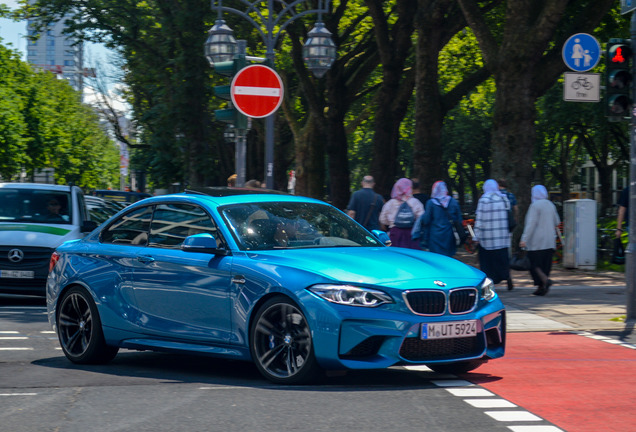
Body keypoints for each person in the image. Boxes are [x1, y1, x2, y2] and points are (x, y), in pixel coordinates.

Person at [519, 185, 561, 296]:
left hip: (536, 241)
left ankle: (545, 281)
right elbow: (557, 221)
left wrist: (524, 239)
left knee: (534, 263)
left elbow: (530, 224)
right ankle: (542, 286)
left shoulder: (534, 206)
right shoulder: (550, 205)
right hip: (549, 240)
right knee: (545, 264)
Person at [473, 179, 513, 290]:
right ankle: (507, 277)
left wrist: (476, 236)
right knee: (502, 260)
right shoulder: (504, 198)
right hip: (502, 237)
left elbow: (480, 220)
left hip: (488, 238)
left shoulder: (484, 200)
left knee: (487, 263)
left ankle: (489, 284)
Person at [416, 181, 462, 257]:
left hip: (434, 236)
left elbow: (426, 220)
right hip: (449, 235)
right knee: (448, 258)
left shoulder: (431, 203)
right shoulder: (453, 202)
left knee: (436, 258)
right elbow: (459, 219)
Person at [379, 178, 424, 249]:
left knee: (396, 256)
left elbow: (382, 219)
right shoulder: (415, 202)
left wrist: (391, 223)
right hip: (411, 234)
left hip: (395, 233)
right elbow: (421, 218)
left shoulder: (390, 203)